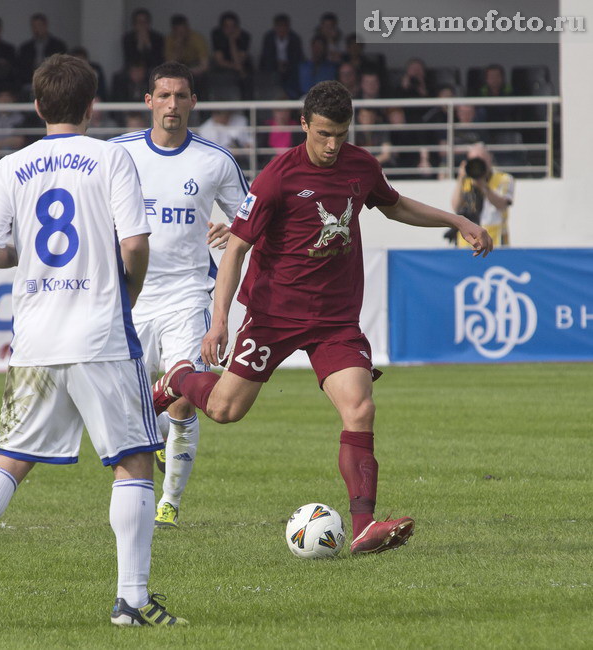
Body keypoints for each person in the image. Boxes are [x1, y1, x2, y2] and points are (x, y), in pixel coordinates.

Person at [152, 80, 493, 555]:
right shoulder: (277, 176)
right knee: (226, 410)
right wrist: (219, 320)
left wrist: (458, 221)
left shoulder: (360, 165)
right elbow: (234, 250)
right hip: (274, 315)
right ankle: (179, 378)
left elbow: (396, 206)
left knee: (360, 407)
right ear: (304, 125)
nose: (333, 145)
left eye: (341, 134)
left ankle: (363, 527)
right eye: (324, 134)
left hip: (335, 319)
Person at [0, 54, 186, 629]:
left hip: (36, 339)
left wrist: (30, 256)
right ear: (93, 106)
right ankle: (131, 600)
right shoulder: (111, 156)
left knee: (9, 460)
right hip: (100, 333)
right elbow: (136, 244)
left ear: (38, 106)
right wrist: (129, 293)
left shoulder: (10, 166)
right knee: (135, 460)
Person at [110, 62, 249, 528]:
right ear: (148, 102)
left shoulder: (216, 161)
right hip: (130, 297)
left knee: (184, 395)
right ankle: (162, 448)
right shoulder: (116, 154)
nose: (172, 105)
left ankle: (168, 503)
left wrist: (233, 229)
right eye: (163, 96)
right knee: (132, 407)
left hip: (189, 294)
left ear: (194, 102)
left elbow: (254, 226)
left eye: (181, 96)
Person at [450, 142, 514, 247]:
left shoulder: (504, 179)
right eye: (474, 160)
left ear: (490, 158)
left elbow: (502, 205)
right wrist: (460, 178)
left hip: (495, 242)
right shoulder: (466, 179)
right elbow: (455, 206)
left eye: (481, 159)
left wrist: (483, 186)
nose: (478, 164)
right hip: (466, 244)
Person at [259, 13, 304, 99]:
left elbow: (297, 58)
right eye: (279, 26)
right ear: (275, 27)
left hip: (290, 69)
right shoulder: (269, 38)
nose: (281, 29)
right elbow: (266, 57)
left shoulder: (295, 38)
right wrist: (277, 64)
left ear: (288, 27)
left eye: (284, 26)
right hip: (272, 69)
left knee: (295, 76)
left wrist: (286, 65)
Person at [210, 11, 253, 99]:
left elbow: (240, 61)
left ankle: (247, 109)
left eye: (232, 26)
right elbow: (220, 61)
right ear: (222, 27)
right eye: (227, 26)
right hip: (223, 69)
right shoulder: (217, 35)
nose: (230, 29)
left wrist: (232, 41)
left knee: (247, 79)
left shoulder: (245, 36)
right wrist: (236, 67)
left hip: (242, 68)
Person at [17, 13, 67, 87]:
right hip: (30, 82)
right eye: (34, 26)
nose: (37, 29)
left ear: (45, 25)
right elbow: (21, 69)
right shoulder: (25, 48)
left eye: (39, 26)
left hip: (52, 83)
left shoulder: (58, 46)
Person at [122, 8, 164, 73]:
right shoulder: (128, 38)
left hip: (153, 70)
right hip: (133, 72)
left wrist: (148, 45)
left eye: (144, 22)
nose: (142, 25)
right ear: (134, 24)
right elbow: (129, 60)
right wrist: (139, 46)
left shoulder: (157, 38)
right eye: (139, 22)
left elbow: (158, 60)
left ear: (149, 23)